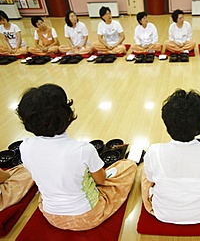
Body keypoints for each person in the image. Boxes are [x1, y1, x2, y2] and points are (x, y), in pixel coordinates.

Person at [17, 84, 136, 231]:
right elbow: (101, 180)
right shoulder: (83, 149)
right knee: (128, 166)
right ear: (66, 114)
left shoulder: (25, 146)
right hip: (88, 216)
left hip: (51, 215)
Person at [141, 89, 200, 224]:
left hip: (163, 212)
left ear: (167, 124)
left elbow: (150, 178)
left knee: (145, 173)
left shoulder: (154, 151)